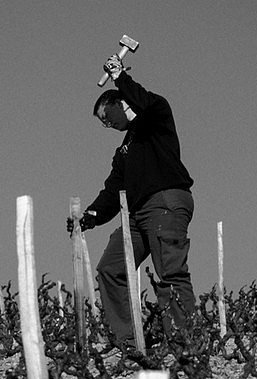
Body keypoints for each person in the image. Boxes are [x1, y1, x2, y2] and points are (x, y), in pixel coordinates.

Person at [67, 54, 196, 345]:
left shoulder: (156, 114)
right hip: (136, 214)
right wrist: (91, 215)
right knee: (110, 269)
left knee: (170, 272)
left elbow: (143, 102)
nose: (106, 125)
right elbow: (113, 191)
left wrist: (119, 76)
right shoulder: (124, 150)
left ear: (119, 103)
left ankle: (184, 343)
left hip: (165, 202)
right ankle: (128, 341)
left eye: (106, 117)